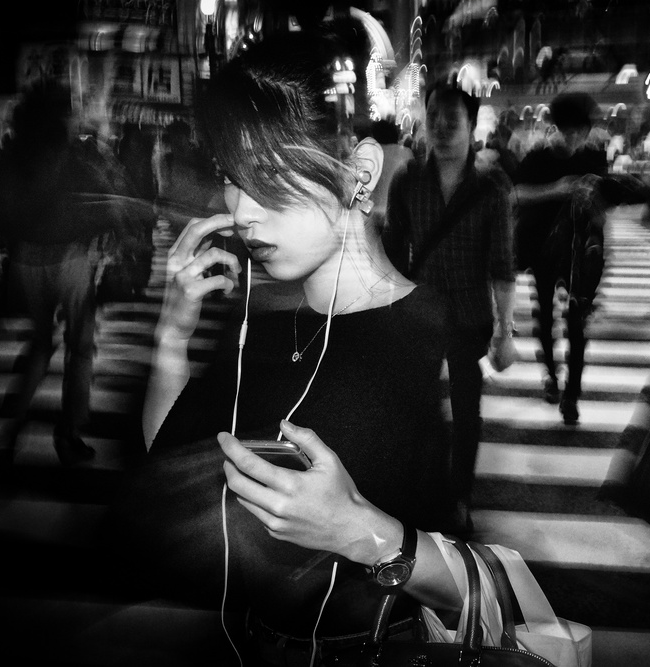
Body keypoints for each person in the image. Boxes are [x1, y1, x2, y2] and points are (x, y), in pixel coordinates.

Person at [116, 33, 484, 665]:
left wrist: (360, 532)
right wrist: (172, 336)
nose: (241, 210)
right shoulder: (261, 317)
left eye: (267, 176)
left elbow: (469, 583)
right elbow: (174, 458)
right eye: (232, 175)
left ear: (361, 174)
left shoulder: (429, 335)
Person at [383, 77, 517, 516]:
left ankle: (459, 495)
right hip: (418, 310)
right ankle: (420, 485)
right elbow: (394, 251)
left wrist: (505, 332)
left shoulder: (491, 185)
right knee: (416, 402)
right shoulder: (408, 179)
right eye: (433, 117)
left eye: (452, 119)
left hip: (468, 314)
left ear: (473, 125)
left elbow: (501, 263)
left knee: (465, 410)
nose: (440, 127)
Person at [0, 81, 121, 467]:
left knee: (40, 345)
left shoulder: (14, 154)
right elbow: (100, 196)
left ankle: (11, 428)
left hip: (27, 261)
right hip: (69, 260)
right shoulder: (73, 152)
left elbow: (2, 210)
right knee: (80, 349)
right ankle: (68, 435)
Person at [513, 92, 607, 425]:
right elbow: (515, 193)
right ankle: (551, 376)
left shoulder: (594, 159)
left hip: (581, 254)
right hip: (542, 249)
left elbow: (605, 202)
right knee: (546, 316)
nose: (572, 138)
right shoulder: (537, 159)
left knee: (577, 324)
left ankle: (572, 395)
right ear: (555, 128)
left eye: (579, 131)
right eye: (566, 130)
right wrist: (558, 189)